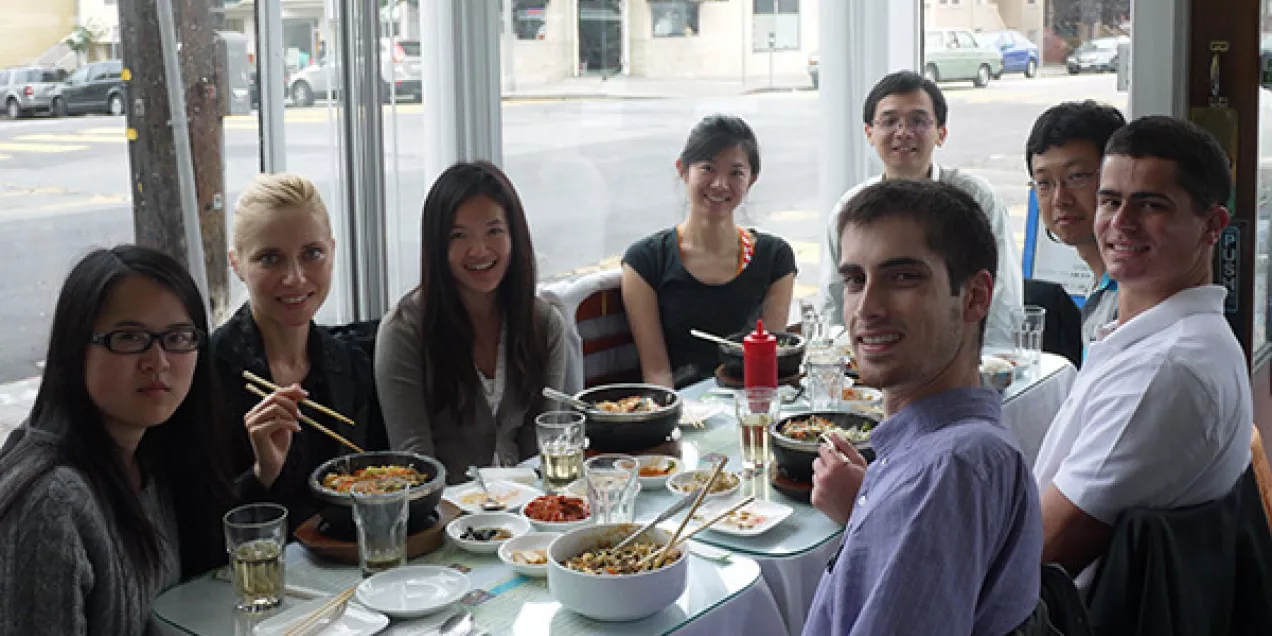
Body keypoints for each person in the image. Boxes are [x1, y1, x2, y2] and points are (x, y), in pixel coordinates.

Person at [805, 180, 1042, 635]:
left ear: (975, 296)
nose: (866, 307)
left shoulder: (949, 470)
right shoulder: (936, 455)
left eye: (903, 277)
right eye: (855, 280)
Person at [1033, 116, 1252, 588]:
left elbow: (1036, 556)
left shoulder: (1165, 372)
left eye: (1151, 204)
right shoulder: (1162, 338)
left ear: (1213, 226)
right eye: (1110, 201)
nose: (1121, 223)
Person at [0, 246, 235, 634]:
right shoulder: (53, 503)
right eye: (129, 337)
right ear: (76, 348)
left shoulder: (153, 454)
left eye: (177, 337)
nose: (158, 361)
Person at [376, 161, 577, 481]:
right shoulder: (403, 331)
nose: (479, 250)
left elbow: (545, 443)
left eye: (494, 231)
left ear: (514, 235)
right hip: (445, 505)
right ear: (437, 246)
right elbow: (414, 464)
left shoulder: (543, 323)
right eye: (458, 236)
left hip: (529, 501)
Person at [212, 173, 385, 534]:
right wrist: (262, 473)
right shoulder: (207, 371)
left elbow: (378, 484)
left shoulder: (351, 365)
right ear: (237, 264)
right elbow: (195, 533)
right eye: (270, 259)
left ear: (332, 252)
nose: (295, 278)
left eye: (312, 254)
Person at [819, 71, 1023, 348]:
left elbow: (1003, 294)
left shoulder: (975, 198)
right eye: (889, 121)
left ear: (941, 133)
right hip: (875, 353)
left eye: (918, 121)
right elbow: (833, 301)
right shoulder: (850, 208)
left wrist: (986, 360)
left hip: (957, 356)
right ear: (869, 134)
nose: (903, 132)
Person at [623, 115, 797, 387]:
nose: (720, 184)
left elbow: (767, 365)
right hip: (682, 405)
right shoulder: (645, 262)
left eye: (736, 173)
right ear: (683, 170)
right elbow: (657, 375)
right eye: (708, 168)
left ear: (751, 180)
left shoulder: (775, 258)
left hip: (749, 400)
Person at [1026, 101, 1126, 345]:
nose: (1060, 199)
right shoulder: (1102, 285)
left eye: (1076, 176)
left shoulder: (1133, 293)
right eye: (1044, 183)